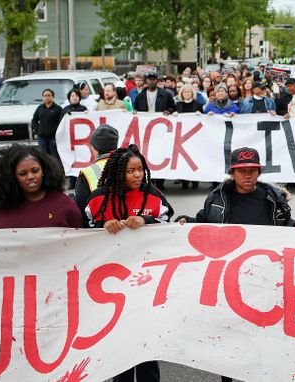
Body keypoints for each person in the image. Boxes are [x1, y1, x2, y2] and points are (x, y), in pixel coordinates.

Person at [85, 144, 171, 382]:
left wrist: (146, 219)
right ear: (118, 172)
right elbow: (79, 233)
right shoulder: (99, 198)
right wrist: (103, 225)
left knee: (146, 346)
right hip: (109, 288)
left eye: (140, 170)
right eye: (131, 171)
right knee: (119, 345)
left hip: (146, 283)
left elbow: (170, 228)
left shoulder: (152, 195)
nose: (137, 175)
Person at [0, 145, 81, 238]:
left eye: (35, 170)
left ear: (44, 171)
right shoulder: (2, 205)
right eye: (23, 173)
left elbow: (83, 240)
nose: (31, 177)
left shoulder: (64, 204)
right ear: (12, 176)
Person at [175, 147, 295, 227]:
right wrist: (186, 221)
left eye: (252, 171)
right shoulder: (217, 199)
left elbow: (286, 223)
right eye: (242, 171)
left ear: (258, 173)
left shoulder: (274, 199)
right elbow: (203, 222)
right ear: (232, 174)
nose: (247, 176)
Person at [74, 124, 119, 226]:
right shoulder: (134, 167)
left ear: (95, 148)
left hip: (101, 229)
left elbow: (81, 212)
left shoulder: (87, 173)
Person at [31, 88, 63, 159]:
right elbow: (34, 120)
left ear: (52, 97)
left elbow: (62, 123)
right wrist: (37, 130)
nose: (47, 97)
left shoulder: (58, 109)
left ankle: (55, 170)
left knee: (54, 157)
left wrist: (57, 133)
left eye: (49, 95)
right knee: (44, 157)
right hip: (42, 138)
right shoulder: (40, 108)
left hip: (53, 138)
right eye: (45, 96)